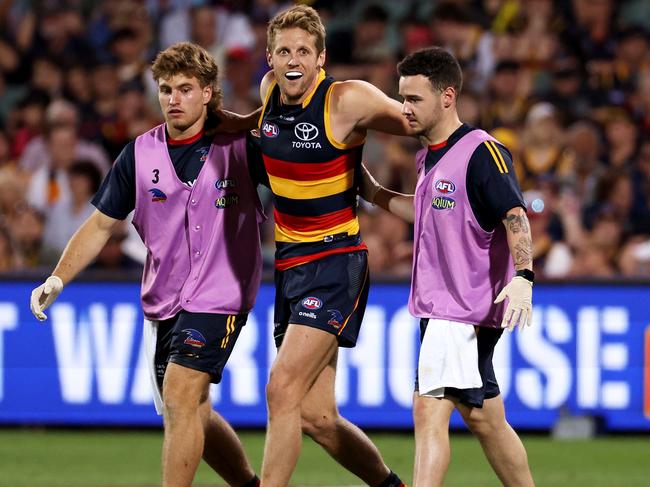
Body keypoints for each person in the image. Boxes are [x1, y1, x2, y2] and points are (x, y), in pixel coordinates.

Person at [30, 42, 265, 487]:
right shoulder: (139, 155)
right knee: (192, 409)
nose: (173, 99)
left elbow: (301, 181)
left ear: (209, 93)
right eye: (165, 89)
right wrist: (57, 277)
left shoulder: (241, 149)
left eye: (185, 89)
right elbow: (100, 225)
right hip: (164, 300)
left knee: (180, 394)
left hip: (222, 294)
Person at [361, 47, 536, 487]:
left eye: (415, 99)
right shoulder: (429, 156)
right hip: (448, 308)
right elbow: (428, 212)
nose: (405, 108)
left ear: (447, 96)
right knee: (485, 419)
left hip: (461, 308)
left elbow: (514, 215)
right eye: (402, 98)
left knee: (428, 409)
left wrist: (524, 277)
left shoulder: (482, 152)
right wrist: (375, 192)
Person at [256, 5, 410, 487]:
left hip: (335, 261)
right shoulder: (267, 96)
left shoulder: (348, 99)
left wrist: (452, 178)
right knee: (318, 418)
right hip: (289, 265)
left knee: (281, 390)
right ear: (270, 58)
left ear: (321, 57)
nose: (293, 59)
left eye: (304, 50)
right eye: (284, 50)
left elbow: (418, 122)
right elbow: (328, 160)